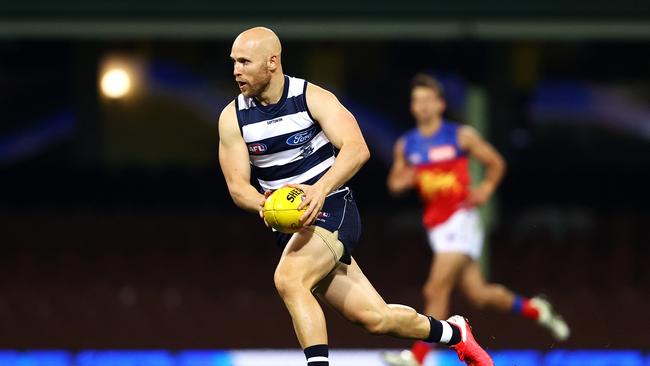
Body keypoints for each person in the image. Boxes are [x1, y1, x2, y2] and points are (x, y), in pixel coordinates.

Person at [218, 27, 494, 366]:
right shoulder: (232, 118)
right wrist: (268, 204)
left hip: (333, 208)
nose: (236, 70)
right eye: (234, 62)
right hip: (291, 229)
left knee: (288, 279)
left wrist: (318, 191)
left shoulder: (312, 98)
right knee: (375, 319)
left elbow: (356, 149)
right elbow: (237, 187)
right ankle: (455, 334)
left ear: (272, 62)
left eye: (244, 62)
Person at [382, 74, 570, 366]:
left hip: (461, 218)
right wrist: (403, 179)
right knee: (479, 294)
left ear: (440, 104)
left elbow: (496, 163)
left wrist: (486, 189)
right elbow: (394, 184)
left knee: (435, 288)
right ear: (412, 106)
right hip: (437, 225)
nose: (423, 106)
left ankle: (418, 356)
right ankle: (536, 309)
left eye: (428, 100)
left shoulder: (460, 136)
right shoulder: (407, 144)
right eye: (417, 101)